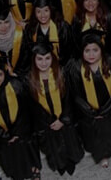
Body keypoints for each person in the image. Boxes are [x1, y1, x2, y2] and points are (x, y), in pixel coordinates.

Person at [65, 30, 111, 167]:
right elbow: (77, 95)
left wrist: (107, 109)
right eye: (87, 51)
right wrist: (92, 112)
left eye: (95, 50)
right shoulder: (76, 68)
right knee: (96, 133)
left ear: (101, 50)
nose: (91, 54)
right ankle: (102, 156)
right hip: (90, 113)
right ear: (82, 52)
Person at [0, 60, 41, 180]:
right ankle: (17, 174)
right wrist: (5, 135)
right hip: (0, 134)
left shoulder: (15, 84)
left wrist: (17, 132)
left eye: (0, 74)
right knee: (10, 154)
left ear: (5, 73)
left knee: (26, 148)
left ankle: (33, 170)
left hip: (21, 128)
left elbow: (24, 109)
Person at [27, 42, 84, 176]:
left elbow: (69, 98)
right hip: (46, 122)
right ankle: (60, 165)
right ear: (34, 60)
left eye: (47, 58)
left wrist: (63, 119)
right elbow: (33, 107)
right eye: (39, 59)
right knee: (53, 146)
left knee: (69, 141)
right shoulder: (29, 79)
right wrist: (49, 121)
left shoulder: (61, 73)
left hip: (63, 118)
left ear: (52, 58)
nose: (44, 63)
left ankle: (71, 161)